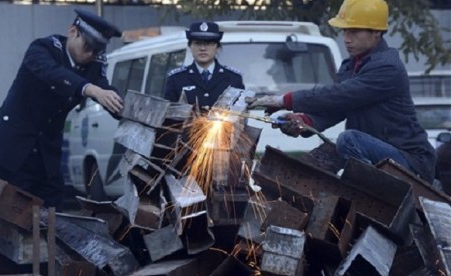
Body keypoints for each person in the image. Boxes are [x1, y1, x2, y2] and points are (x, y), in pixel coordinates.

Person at [248, 0, 436, 183]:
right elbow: (337, 108)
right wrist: (304, 121)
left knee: (347, 140)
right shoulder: (351, 66)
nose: (346, 38)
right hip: (379, 155)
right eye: (345, 30)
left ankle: (364, 194)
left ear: (376, 32)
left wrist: (284, 100)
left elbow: (340, 94)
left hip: (410, 164)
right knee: (323, 156)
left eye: (353, 31)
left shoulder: (387, 67)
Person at [0, 9, 123, 210]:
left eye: (97, 51)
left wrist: (121, 105)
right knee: (11, 217)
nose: (91, 55)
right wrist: (89, 89)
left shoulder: (94, 64)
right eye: (88, 47)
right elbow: (52, 74)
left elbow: (104, 88)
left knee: (51, 216)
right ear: (73, 31)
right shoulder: (44, 49)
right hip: (14, 151)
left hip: (46, 156)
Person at [164, 21, 245, 110]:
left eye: (208, 43)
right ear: (190, 46)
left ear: (217, 47)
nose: (203, 48)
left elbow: (240, 115)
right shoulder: (176, 79)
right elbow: (168, 116)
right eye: (197, 43)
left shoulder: (233, 78)